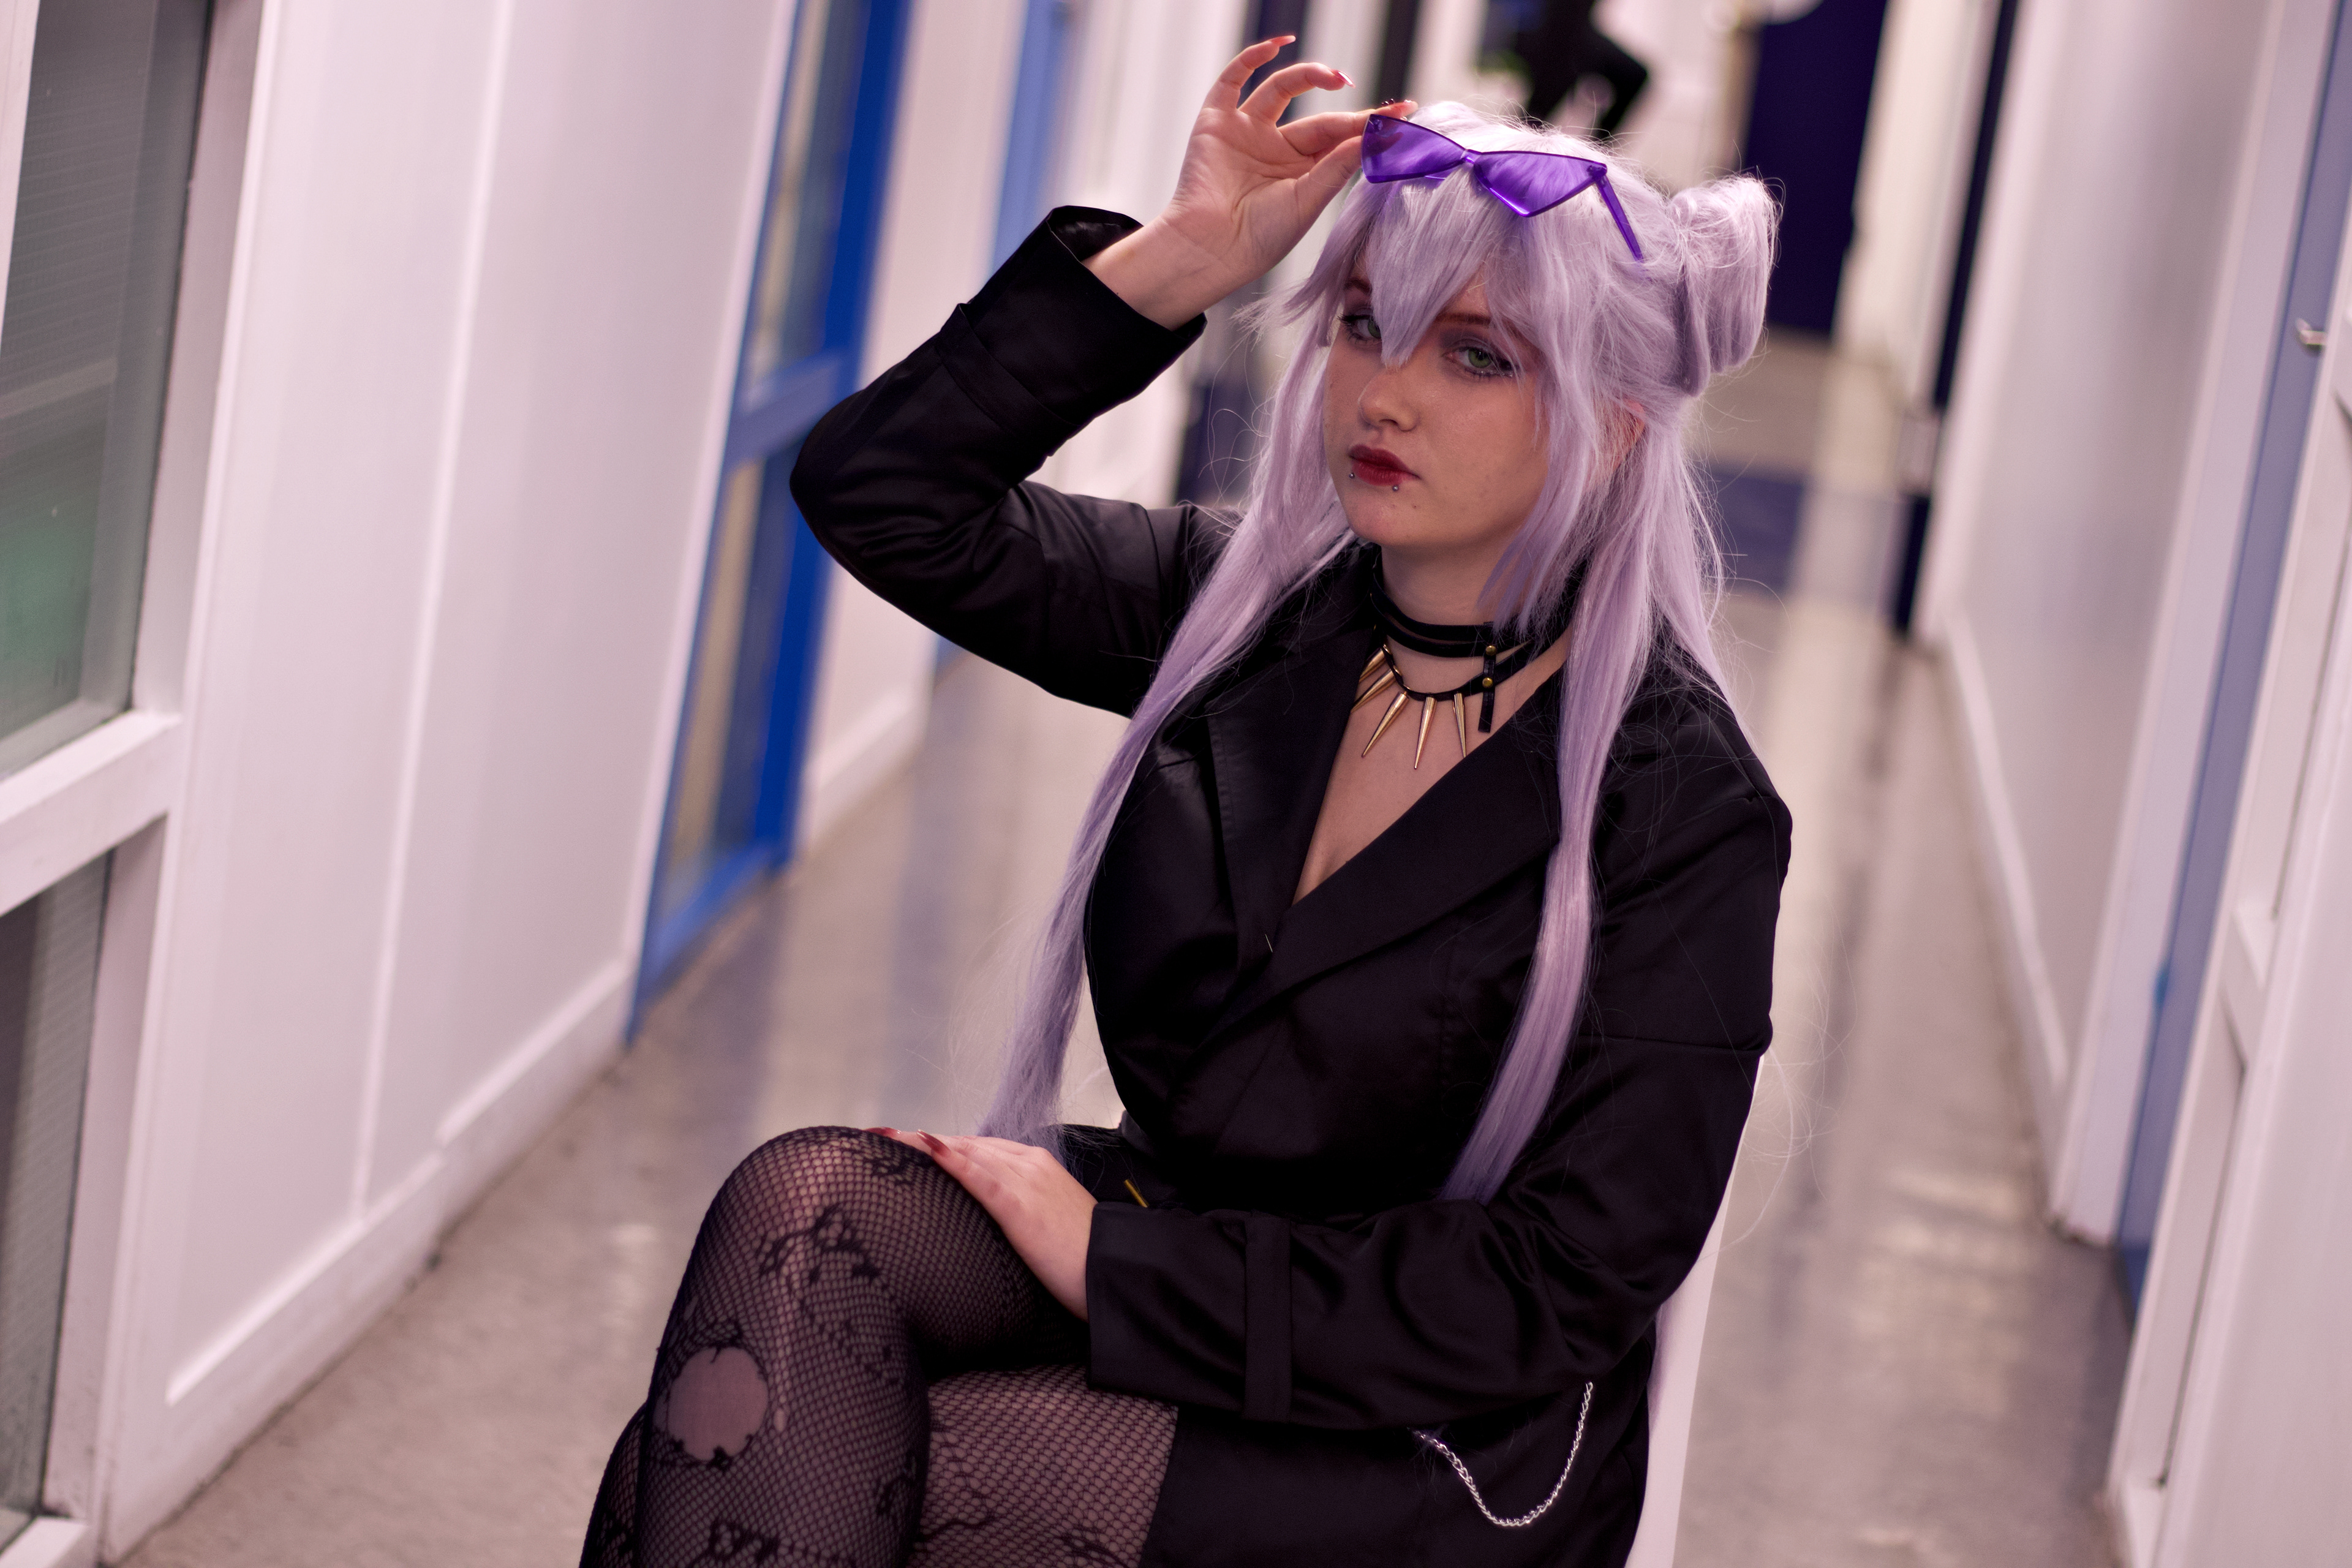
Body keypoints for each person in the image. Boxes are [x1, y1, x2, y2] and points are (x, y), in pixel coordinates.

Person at [581, 35, 1785, 1568]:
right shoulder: (1238, 615)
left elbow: (1556, 1282)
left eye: (1476, 355)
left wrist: (1118, 1264)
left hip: (1439, 1418)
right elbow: (885, 491)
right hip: (1180, 1226)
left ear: (1613, 423)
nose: (1385, 393)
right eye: (1363, 323)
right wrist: (1182, 263)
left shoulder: (1680, 799)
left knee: (810, 1461)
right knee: (800, 1233)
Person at [1518, 0, 1651, 140]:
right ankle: (1526, 132)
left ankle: (1596, 148)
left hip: (1578, 31)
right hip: (1546, 28)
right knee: (1562, 62)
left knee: (1634, 75)